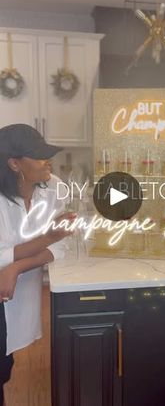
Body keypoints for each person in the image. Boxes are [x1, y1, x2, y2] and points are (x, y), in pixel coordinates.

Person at [0, 124, 75, 406]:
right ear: (14, 163)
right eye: (39, 156)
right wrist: (49, 237)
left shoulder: (54, 186)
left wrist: (17, 267)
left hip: (12, 290)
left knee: (5, 366)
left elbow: (65, 245)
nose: (48, 161)